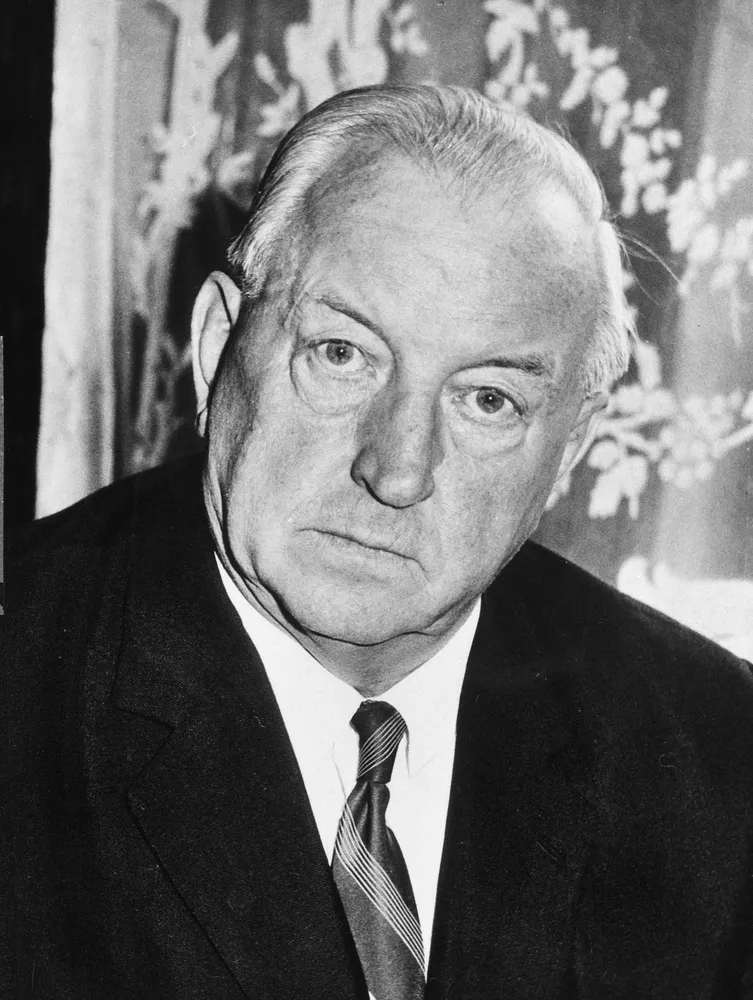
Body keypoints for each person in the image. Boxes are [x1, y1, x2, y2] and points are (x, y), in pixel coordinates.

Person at [3, 84, 753, 1000]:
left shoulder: (717, 753)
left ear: (567, 451)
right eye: (341, 354)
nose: (395, 471)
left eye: (487, 400)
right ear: (216, 344)